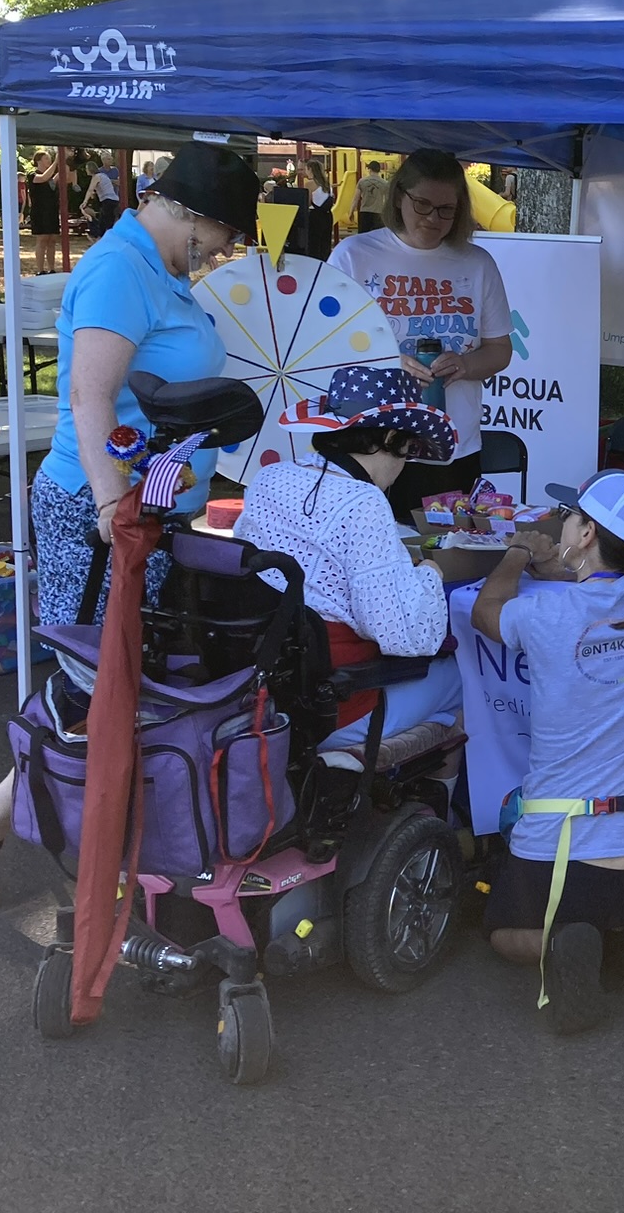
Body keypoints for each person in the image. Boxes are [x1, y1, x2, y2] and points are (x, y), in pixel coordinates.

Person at [0, 143, 257, 911]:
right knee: (91, 688)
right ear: (194, 216)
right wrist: (114, 506)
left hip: (149, 512)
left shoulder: (162, 270)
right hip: (105, 516)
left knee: (117, 686)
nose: (223, 253)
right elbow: (89, 399)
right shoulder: (121, 270)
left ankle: (83, 839)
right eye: (224, 237)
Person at [470, 470, 624, 1034]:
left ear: (586, 533)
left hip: (570, 849)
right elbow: (603, 586)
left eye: (571, 516)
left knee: (497, 931)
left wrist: (516, 553)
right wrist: (561, 564)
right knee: (604, 907)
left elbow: (485, 611)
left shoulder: (547, 614)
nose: (563, 520)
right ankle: (622, 934)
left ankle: (578, 942)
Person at [235, 366, 464, 805]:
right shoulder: (363, 502)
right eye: (410, 448)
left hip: (265, 687)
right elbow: (402, 635)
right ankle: (436, 808)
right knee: (460, 676)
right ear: (390, 440)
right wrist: (430, 575)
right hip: (332, 704)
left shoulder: (270, 478)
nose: (406, 462)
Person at [329, 148, 513, 519]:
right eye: (423, 205)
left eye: (447, 210)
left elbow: (499, 350)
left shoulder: (477, 263)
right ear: (399, 197)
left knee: (445, 554)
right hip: (371, 442)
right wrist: (387, 362)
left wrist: (464, 364)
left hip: (451, 444)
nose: (434, 219)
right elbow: (325, 348)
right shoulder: (354, 255)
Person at [27, 149, 66, 273]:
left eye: (49, 158)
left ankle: (51, 269)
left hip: (52, 211)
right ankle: (40, 270)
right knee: (42, 239)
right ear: (38, 160)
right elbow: (43, 177)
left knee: (52, 239)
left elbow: (59, 177)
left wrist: (67, 161)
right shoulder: (32, 174)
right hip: (40, 212)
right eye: (46, 158)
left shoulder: (51, 178)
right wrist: (56, 161)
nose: (48, 161)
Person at [80, 152, 121, 237]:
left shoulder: (96, 177)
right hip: (113, 200)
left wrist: (84, 202)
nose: (86, 170)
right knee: (107, 220)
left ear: (89, 169)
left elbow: (90, 190)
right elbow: (95, 190)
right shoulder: (102, 175)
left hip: (108, 200)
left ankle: (100, 237)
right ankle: (103, 237)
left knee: (104, 222)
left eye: (86, 168)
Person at [355, 161, 390, 234]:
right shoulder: (385, 183)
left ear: (369, 169)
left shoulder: (362, 181)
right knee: (377, 237)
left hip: (364, 212)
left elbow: (356, 198)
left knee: (363, 236)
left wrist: (351, 211)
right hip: (378, 212)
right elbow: (387, 200)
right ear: (379, 170)